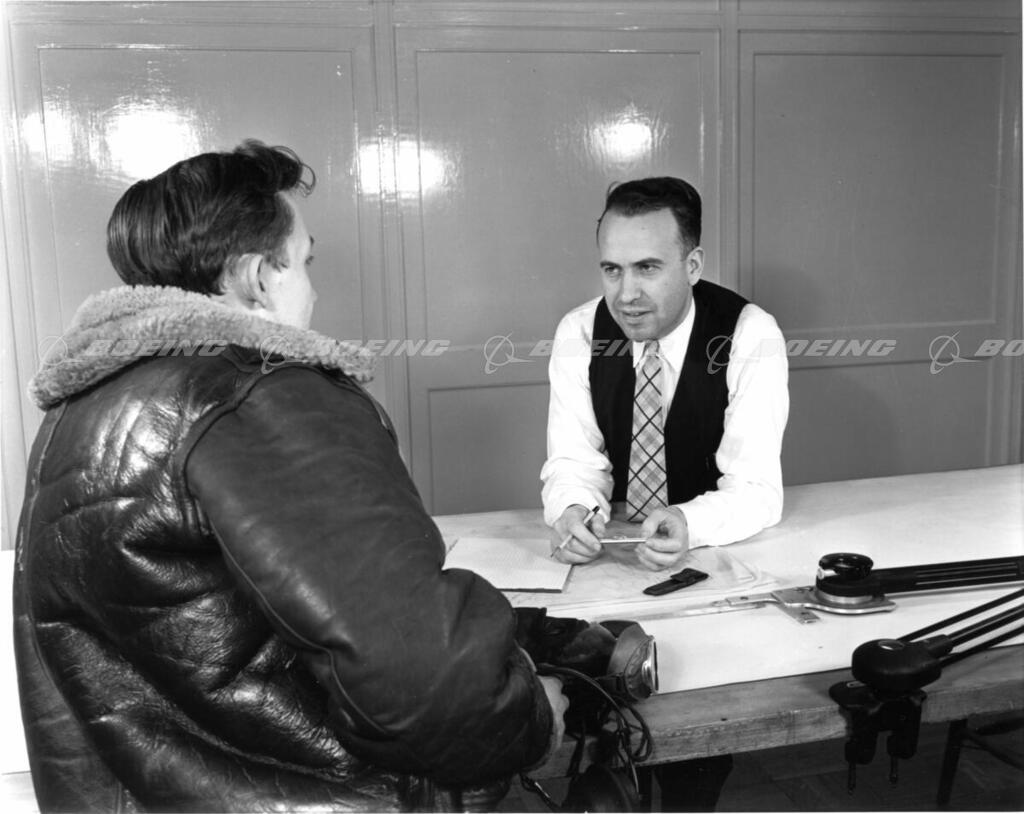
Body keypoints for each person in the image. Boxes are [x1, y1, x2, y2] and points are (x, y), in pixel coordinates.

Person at [13, 140, 567, 813]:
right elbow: (425, 683)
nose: (313, 287)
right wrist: (532, 718)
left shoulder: (78, 411)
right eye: (305, 262)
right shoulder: (260, 397)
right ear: (257, 278)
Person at [540, 176, 789, 809]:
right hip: (611, 568)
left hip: (711, 562)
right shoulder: (580, 331)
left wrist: (688, 521)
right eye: (612, 269)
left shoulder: (749, 333)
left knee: (690, 749)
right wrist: (572, 508)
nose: (626, 293)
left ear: (693, 264)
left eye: (648, 268)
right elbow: (574, 459)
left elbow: (757, 488)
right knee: (599, 717)